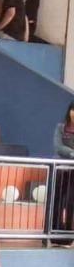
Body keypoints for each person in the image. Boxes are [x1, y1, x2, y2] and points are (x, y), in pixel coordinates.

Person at [53, 102, 74, 239]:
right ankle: (55, 232)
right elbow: (58, 147)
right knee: (57, 201)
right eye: (73, 110)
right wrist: (72, 153)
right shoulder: (60, 128)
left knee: (70, 202)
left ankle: (68, 235)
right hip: (60, 169)